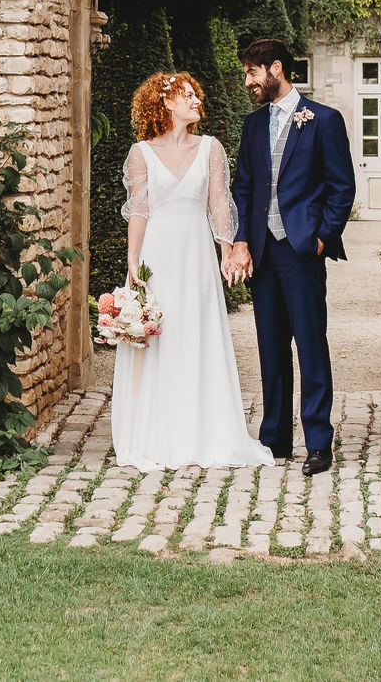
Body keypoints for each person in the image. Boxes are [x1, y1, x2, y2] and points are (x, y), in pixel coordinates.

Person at [110, 70, 274, 471]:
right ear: (166, 103)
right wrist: (133, 261)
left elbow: (219, 203)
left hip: (197, 254)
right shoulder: (141, 153)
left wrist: (226, 252)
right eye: (187, 96)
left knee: (197, 335)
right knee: (162, 338)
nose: (196, 102)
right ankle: (158, 435)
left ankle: (206, 432)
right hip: (158, 254)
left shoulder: (211, 148)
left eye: (196, 95)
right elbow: (140, 210)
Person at [224, 37, 355, 474]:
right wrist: (241, 240)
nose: (248, 82)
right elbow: (243, 186)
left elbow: (342, 188)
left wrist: (322, 237)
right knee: (270, 346)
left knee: (311, 344)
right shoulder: (253, 125)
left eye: (252, 72)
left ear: (275, 68)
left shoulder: (323, 120)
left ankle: (318, 440)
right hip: (262, 251)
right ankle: (274, 438)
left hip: (301, 250)